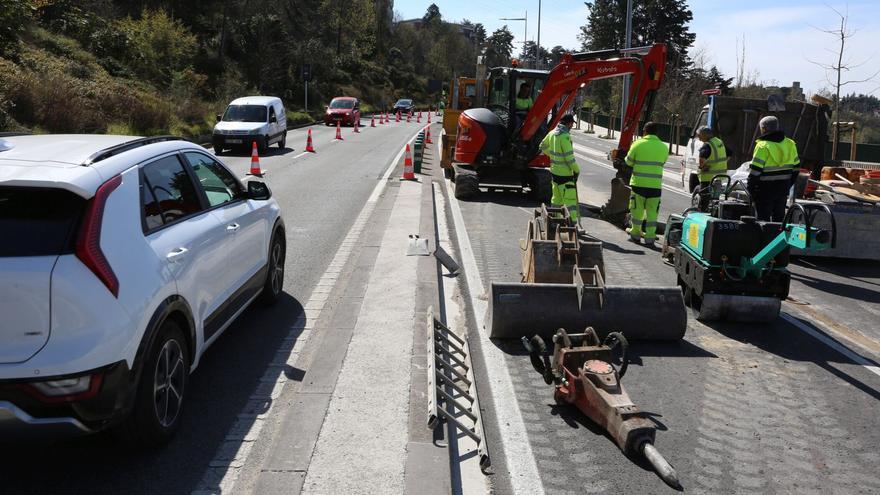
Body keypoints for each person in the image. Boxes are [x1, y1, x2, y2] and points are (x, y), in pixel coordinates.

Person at [625, 122, 669, 247]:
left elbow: (629, 162)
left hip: (639, 184)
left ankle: (636, 234)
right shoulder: (664, 147)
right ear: (657, 132)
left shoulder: (637, 144)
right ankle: (650, 237)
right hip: (655, 186)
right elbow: (663, 162)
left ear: (644, 131)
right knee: (652, 213)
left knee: (637, 211)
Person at [748, 116, 800, 222]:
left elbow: (755, 172)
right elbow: (796, 169)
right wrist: (787, 185)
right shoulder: (790, 144)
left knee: (763, 222)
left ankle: (764, 239)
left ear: (763, 128)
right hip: (783, 188)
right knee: (779, 222)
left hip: (764, 191)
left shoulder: (762, 146)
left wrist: (751, 190)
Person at [539, 114, 580, 220]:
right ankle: (573, 224)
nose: (571, 126)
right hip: (565, 175)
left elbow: (542, 146)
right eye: (571, 124)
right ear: (569, 123)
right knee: (570, 201)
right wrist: (576, 170)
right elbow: (569, 158)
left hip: (554, 172)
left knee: (556, 199)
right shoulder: (565, 136)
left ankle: (556, 220)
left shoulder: (552, 133)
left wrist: (552, 155)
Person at [696, 126, 728, 210]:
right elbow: (729, 153)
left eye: (699, 136)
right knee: (715, 200)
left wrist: (702, 167)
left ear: (705, 135)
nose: (699, 139)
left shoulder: (707, 145)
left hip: (708, 178)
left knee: (704, 200)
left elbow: (702, 158)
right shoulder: (719, 142)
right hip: (719, 177)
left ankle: (702, 214)